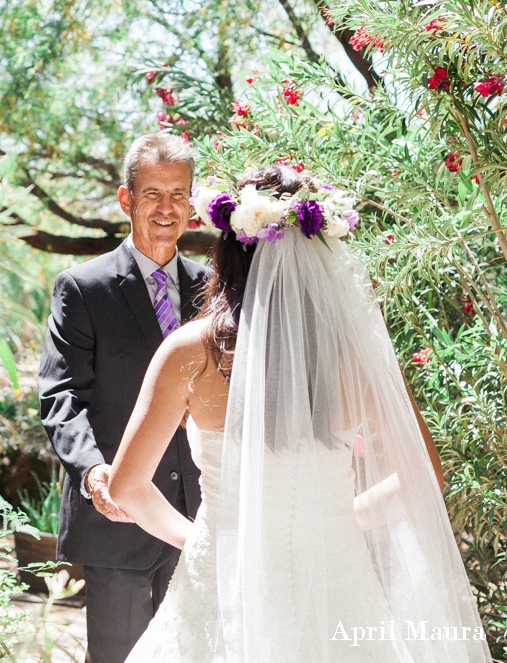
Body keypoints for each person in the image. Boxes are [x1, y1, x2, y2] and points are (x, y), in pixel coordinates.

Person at [110, 165, 492, 662]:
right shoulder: (356, 355)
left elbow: (126, 488)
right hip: (337, 576)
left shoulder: (190, 353)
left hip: (228, 577)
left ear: (228, 250)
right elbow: (422, 476)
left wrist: (208, 538)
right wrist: (341, 518)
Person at [38, 133, 211, 663]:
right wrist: (93, 474)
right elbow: (61, 395)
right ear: (126, 200)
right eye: (153, 193)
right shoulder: (82, 288)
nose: (166, 208)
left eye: (178, 194)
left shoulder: (213, 290)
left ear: (192, 203)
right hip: (118, 515)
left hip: (201, 520)